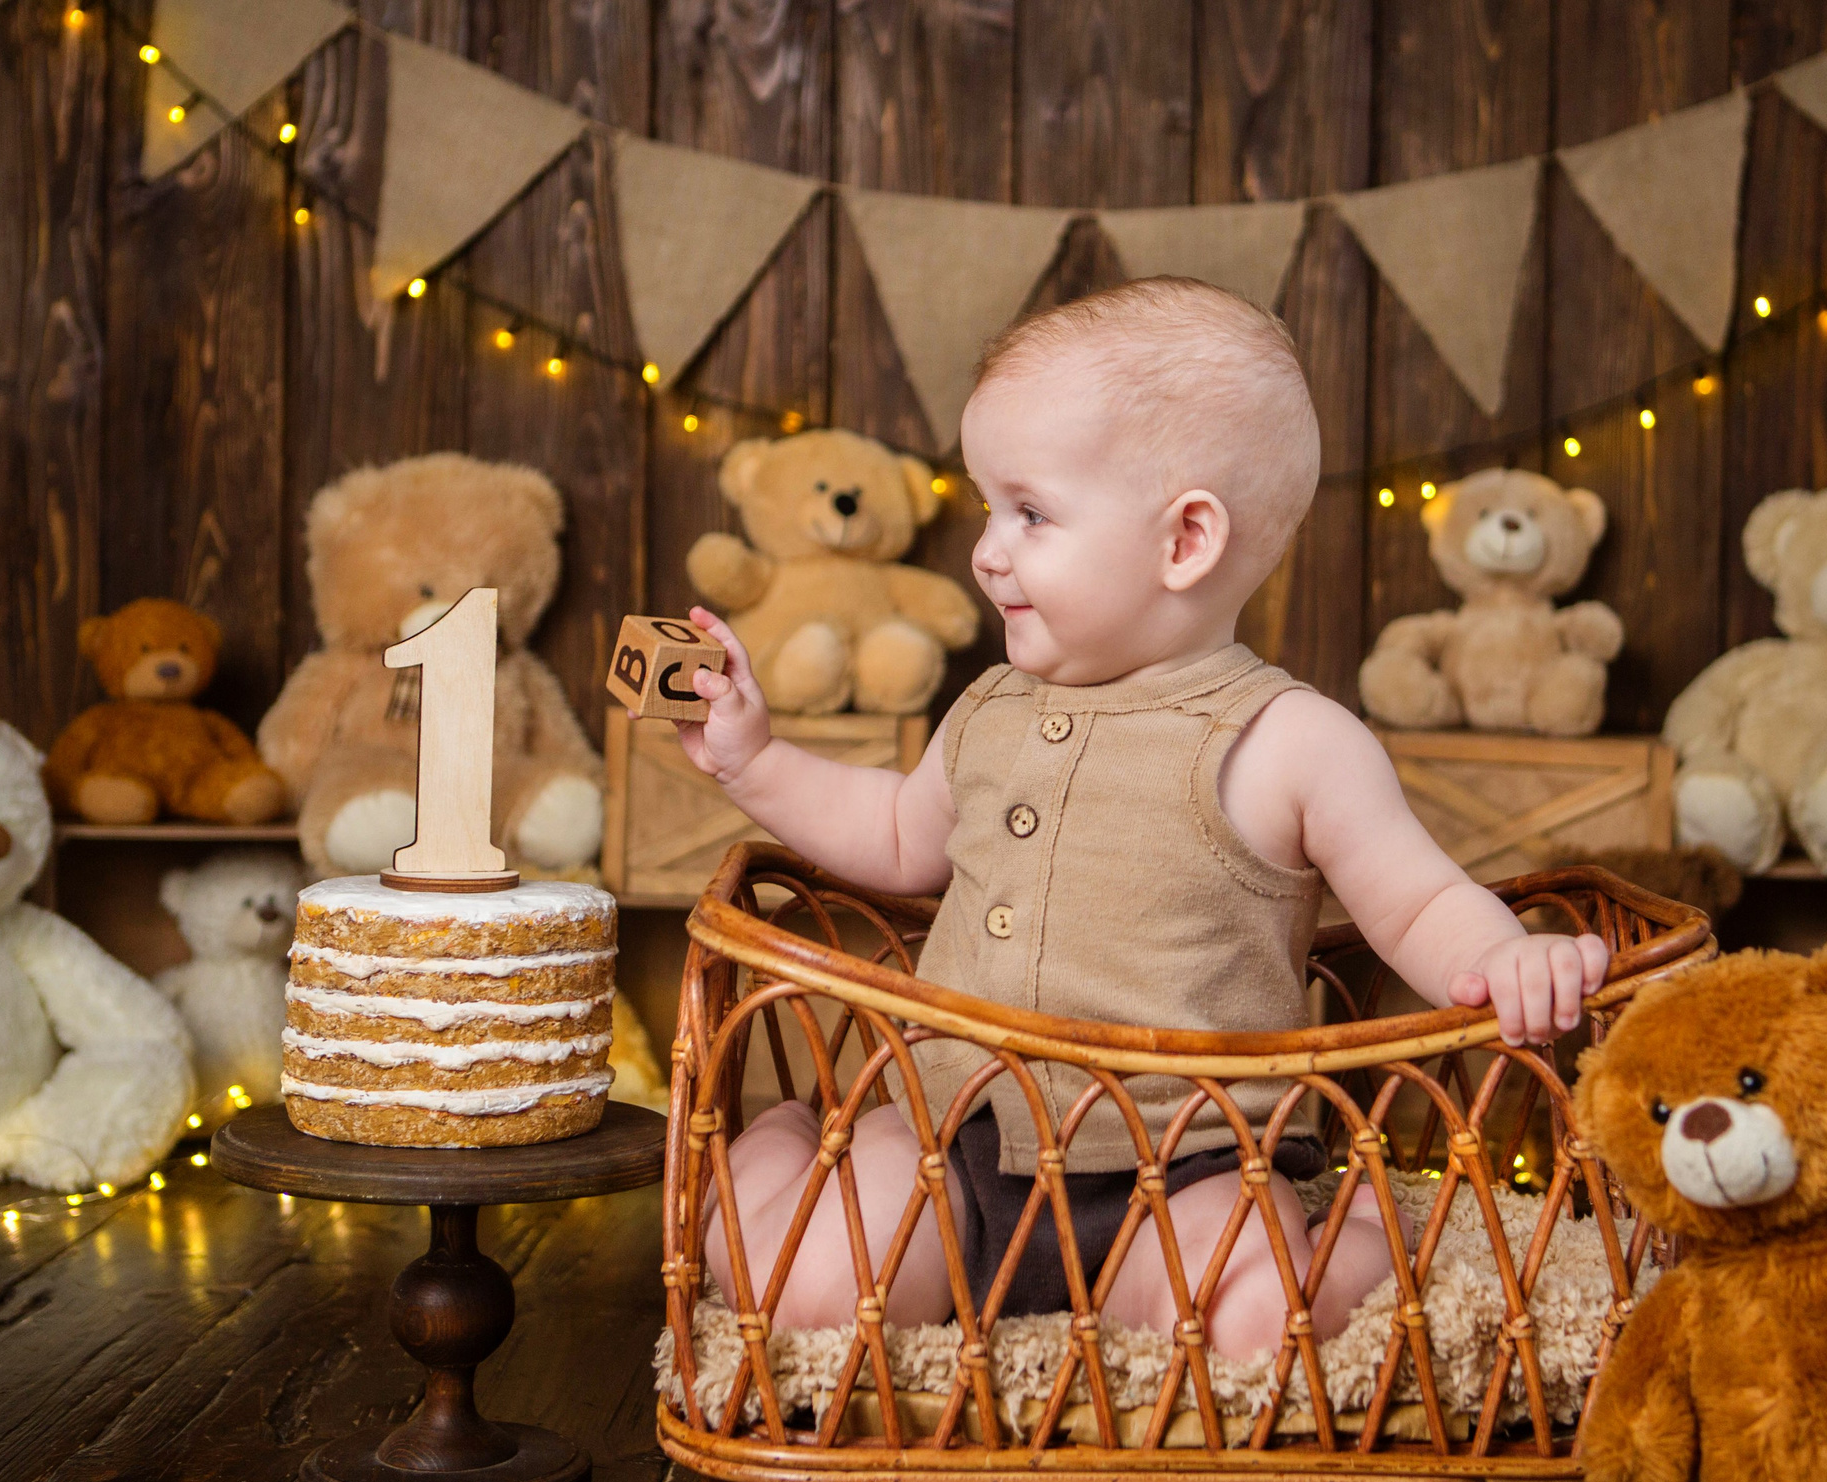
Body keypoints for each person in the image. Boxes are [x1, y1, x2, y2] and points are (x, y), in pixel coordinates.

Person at [675, 277, 1610, 1359]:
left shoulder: (1287, 740)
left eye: (1028, 511)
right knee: (795, 1288)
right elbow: (893, 834)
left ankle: (1355, 1226)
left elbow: (1421, 897)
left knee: (1259, 1326)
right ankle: (793, 1137)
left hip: (1190, 1168)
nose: (986, 548)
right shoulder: (989, 708)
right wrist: (757, 758)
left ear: (1184, 542)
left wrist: (1504, 956)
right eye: (988, 506)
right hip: (950, 1144)